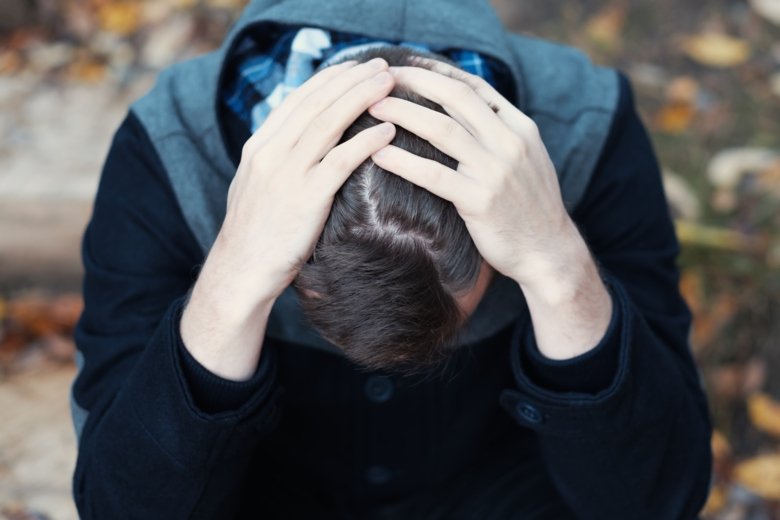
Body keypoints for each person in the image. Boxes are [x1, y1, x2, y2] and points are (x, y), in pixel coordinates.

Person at [69, 0, 713, 518]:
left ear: (494, 240)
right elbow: (119, 504)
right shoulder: (167, 140)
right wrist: (234, 279)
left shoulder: (590, 125)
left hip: (494, 484)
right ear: (292, 267)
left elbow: (660, 501)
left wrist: (558, 267)